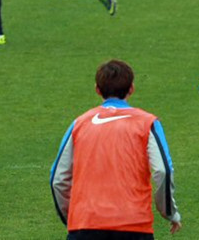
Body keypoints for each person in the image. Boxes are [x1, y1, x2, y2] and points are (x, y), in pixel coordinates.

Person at [51, 59, 182, 239]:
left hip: (84, 225)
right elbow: (163, 171)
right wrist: (169, 212)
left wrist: (74, 220)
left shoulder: (79, 124)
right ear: (131, 88)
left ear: (97, 89)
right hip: (134, 227)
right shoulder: (147, 123)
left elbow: (58, 179)